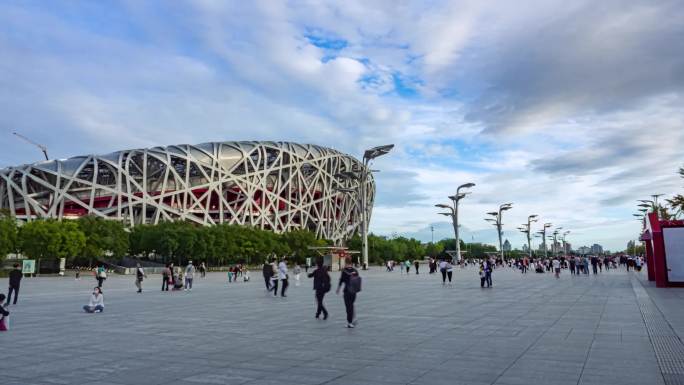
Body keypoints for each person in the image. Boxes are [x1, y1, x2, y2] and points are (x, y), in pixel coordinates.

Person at [337, 256, 360, 328]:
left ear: (346, 262)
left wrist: (338, 289)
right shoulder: (355, 271)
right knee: (351, 305)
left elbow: (341, 280)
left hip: (347, 291)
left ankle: (350, 322)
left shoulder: (344, 271)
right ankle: (353, 319)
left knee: (348, 307)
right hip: (354, 292)